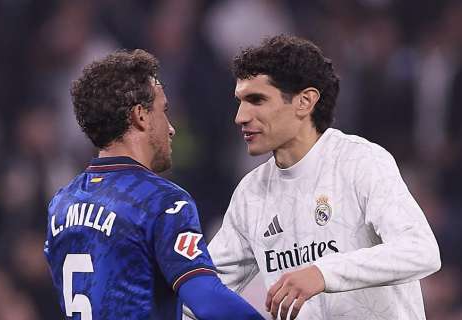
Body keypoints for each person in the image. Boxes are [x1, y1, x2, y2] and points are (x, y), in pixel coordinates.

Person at [204, 35, 441, 320]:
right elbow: (205, 291)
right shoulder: (250, 193)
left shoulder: (360, 162)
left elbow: (420, 251)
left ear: (305, 101)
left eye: (257, 100)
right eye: (240, 101)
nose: (241, 116)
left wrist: (323, 272)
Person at [43, 49, 263, 320]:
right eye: (164, 111)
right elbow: (206, 299)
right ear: (141, 116)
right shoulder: (161, 201)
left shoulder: (61, 204)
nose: (170, 128)